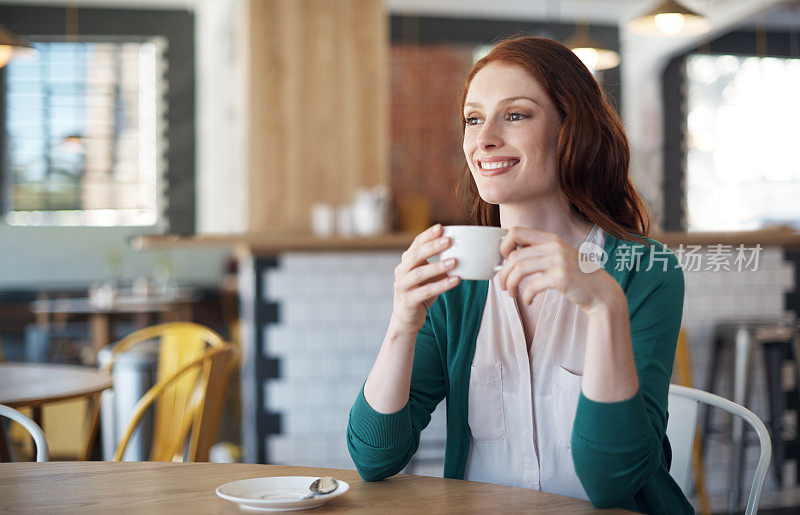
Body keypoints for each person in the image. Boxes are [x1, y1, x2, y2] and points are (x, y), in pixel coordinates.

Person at [347, 36, 692, 514]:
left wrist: (604, 307)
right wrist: (401, 326)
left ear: (573, 131)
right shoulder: (460, 279)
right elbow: (373, 458)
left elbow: (612, 483)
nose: (484, 138)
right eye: (473, 118)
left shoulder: (643, 270)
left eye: (515, 114)